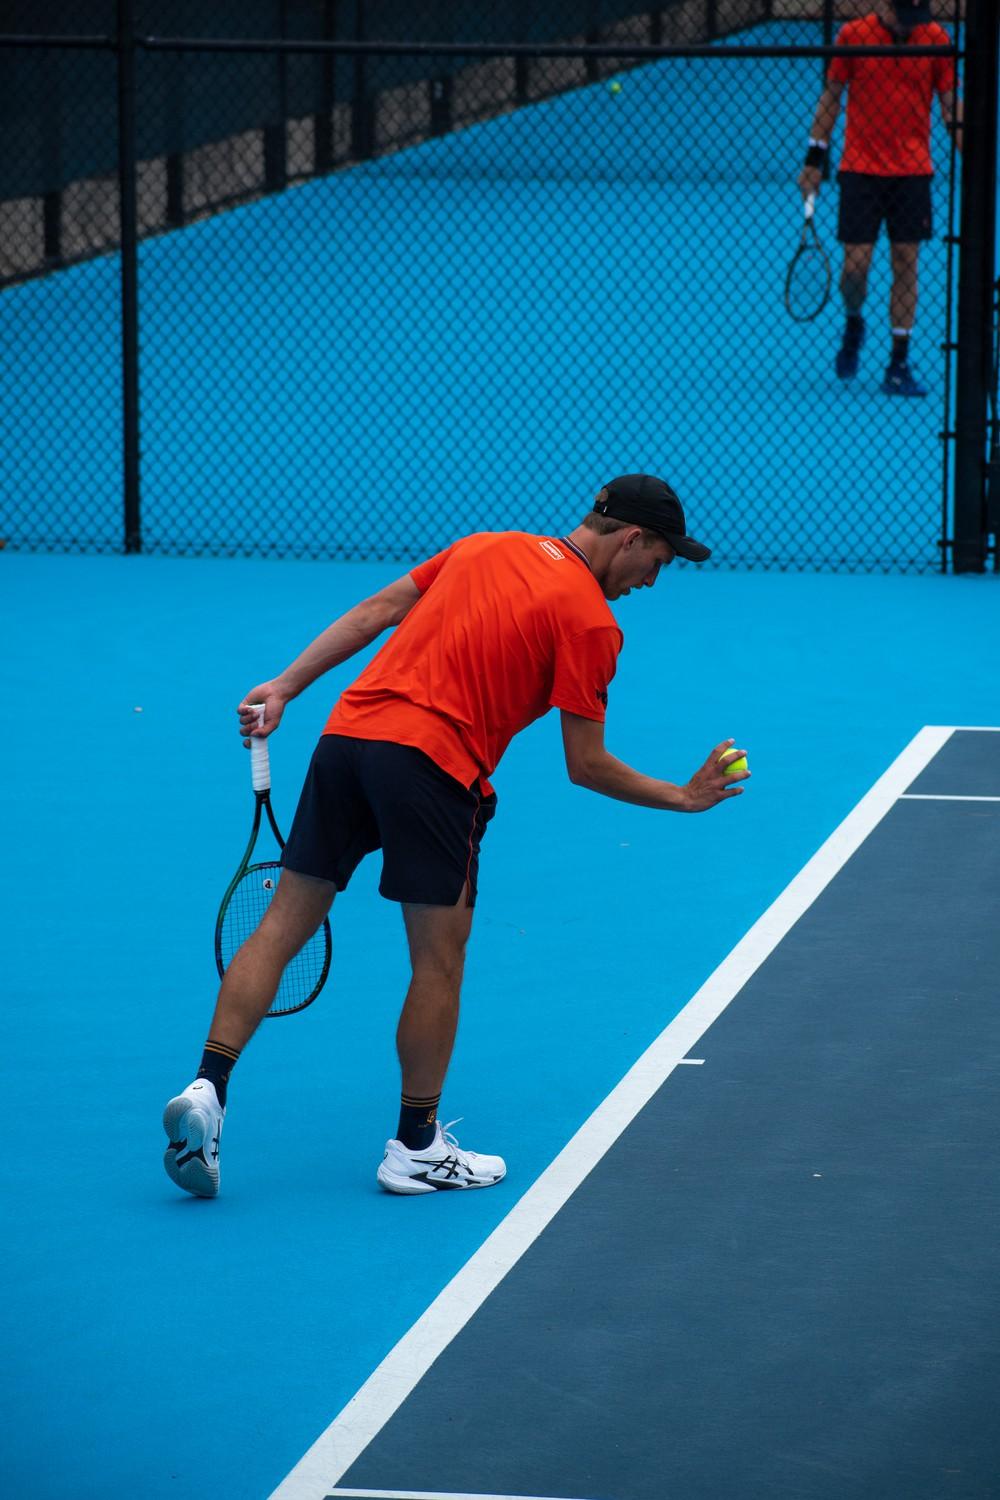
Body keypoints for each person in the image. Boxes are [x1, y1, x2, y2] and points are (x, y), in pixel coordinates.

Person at [162, 475, 749, 1200]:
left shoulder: (485, 546)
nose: (652, 582)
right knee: (438, 962)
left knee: (284, 922)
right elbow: (585, 765)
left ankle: (208, 1089)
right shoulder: (593, 623)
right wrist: (683, 798)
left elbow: (378, 611)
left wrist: (286, 685)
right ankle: (416, 1147)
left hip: (346, 738)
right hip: (433, 769)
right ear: (630, 537)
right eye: (657, 562)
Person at [797, 0, 961, 397]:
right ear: (885, 7)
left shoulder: (936, 39)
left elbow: (950, 106)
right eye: (904, 17)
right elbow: (831, 98)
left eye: (916, 19)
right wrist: (814, 161)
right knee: (855, 270)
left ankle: (898, 362)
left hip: (913, 172)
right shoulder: (853, 36)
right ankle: (854, 321)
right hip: (860, 170)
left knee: (906, 262)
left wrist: (967, 151)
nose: (910, 27)